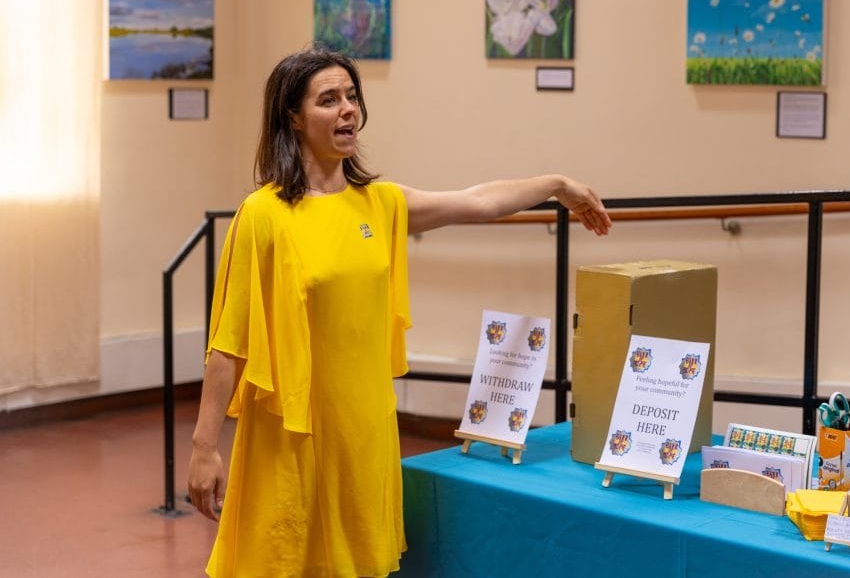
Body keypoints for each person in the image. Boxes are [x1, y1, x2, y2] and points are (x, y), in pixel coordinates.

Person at [187, 47, 611, 577]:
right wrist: (205, 446)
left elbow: (477, 202)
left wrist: (556, 185)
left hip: (364, 429)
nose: (348, 110)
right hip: (293, 437)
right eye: (329, 100)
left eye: (352, 97)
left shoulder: (380, 203)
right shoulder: (264, 215)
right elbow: (229, 340)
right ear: (293, 119)